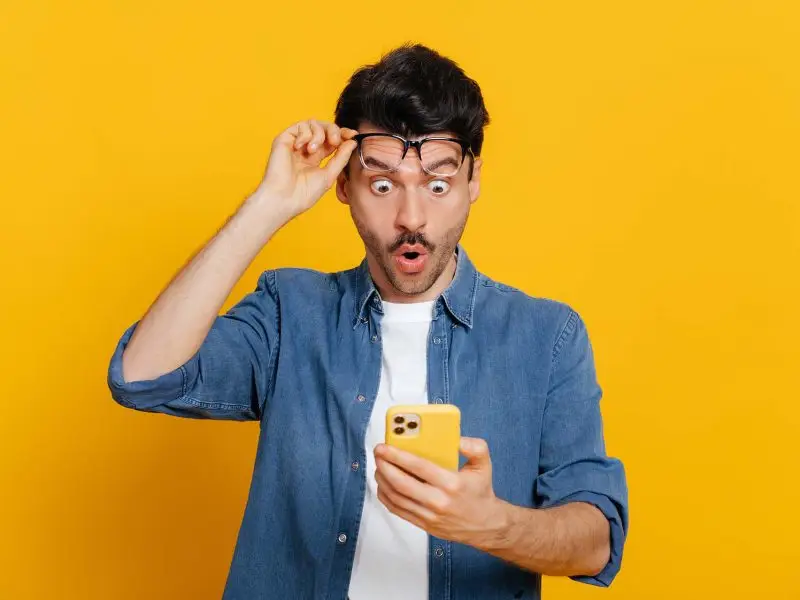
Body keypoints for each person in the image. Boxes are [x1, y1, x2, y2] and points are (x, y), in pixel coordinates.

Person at [107, 43, 629, 600]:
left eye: (437, 184)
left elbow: (595, 541)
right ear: (342, 185)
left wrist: (491, 524)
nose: (410, 218)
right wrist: (270, 203)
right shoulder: (290, 312)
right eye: (382, 185)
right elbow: (143, 376)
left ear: (473, 180)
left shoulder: (548, 338)